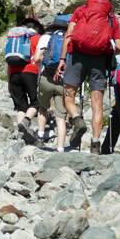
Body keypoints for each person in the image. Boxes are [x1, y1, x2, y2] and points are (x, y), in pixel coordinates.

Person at [55, 0, 120, 154]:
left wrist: (62, 60)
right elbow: (119, 46)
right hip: (99, 61)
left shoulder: (80, 11)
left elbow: (69, 36)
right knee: (97, 104)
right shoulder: (111, 18)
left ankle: (77, 119)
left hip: (76, 57)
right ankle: (96, 144)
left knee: (68, 96)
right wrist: (108, 49)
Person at [32, 15, 70, 151]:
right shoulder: (70, 39)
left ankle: (40, 137)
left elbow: (36, 58)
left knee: (43, 108)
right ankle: (60, 148)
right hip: (63, 81)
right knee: (61, 116)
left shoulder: (46, 37)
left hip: (46, 78)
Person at [8, 17, 44, 142]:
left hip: (13, 73)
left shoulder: (14, 38)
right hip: (30, 72)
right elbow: (40, 57)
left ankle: (21, 135)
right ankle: (26, 121)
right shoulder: (37, 38)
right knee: (36, 102)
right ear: (36, 27)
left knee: (20, 105)